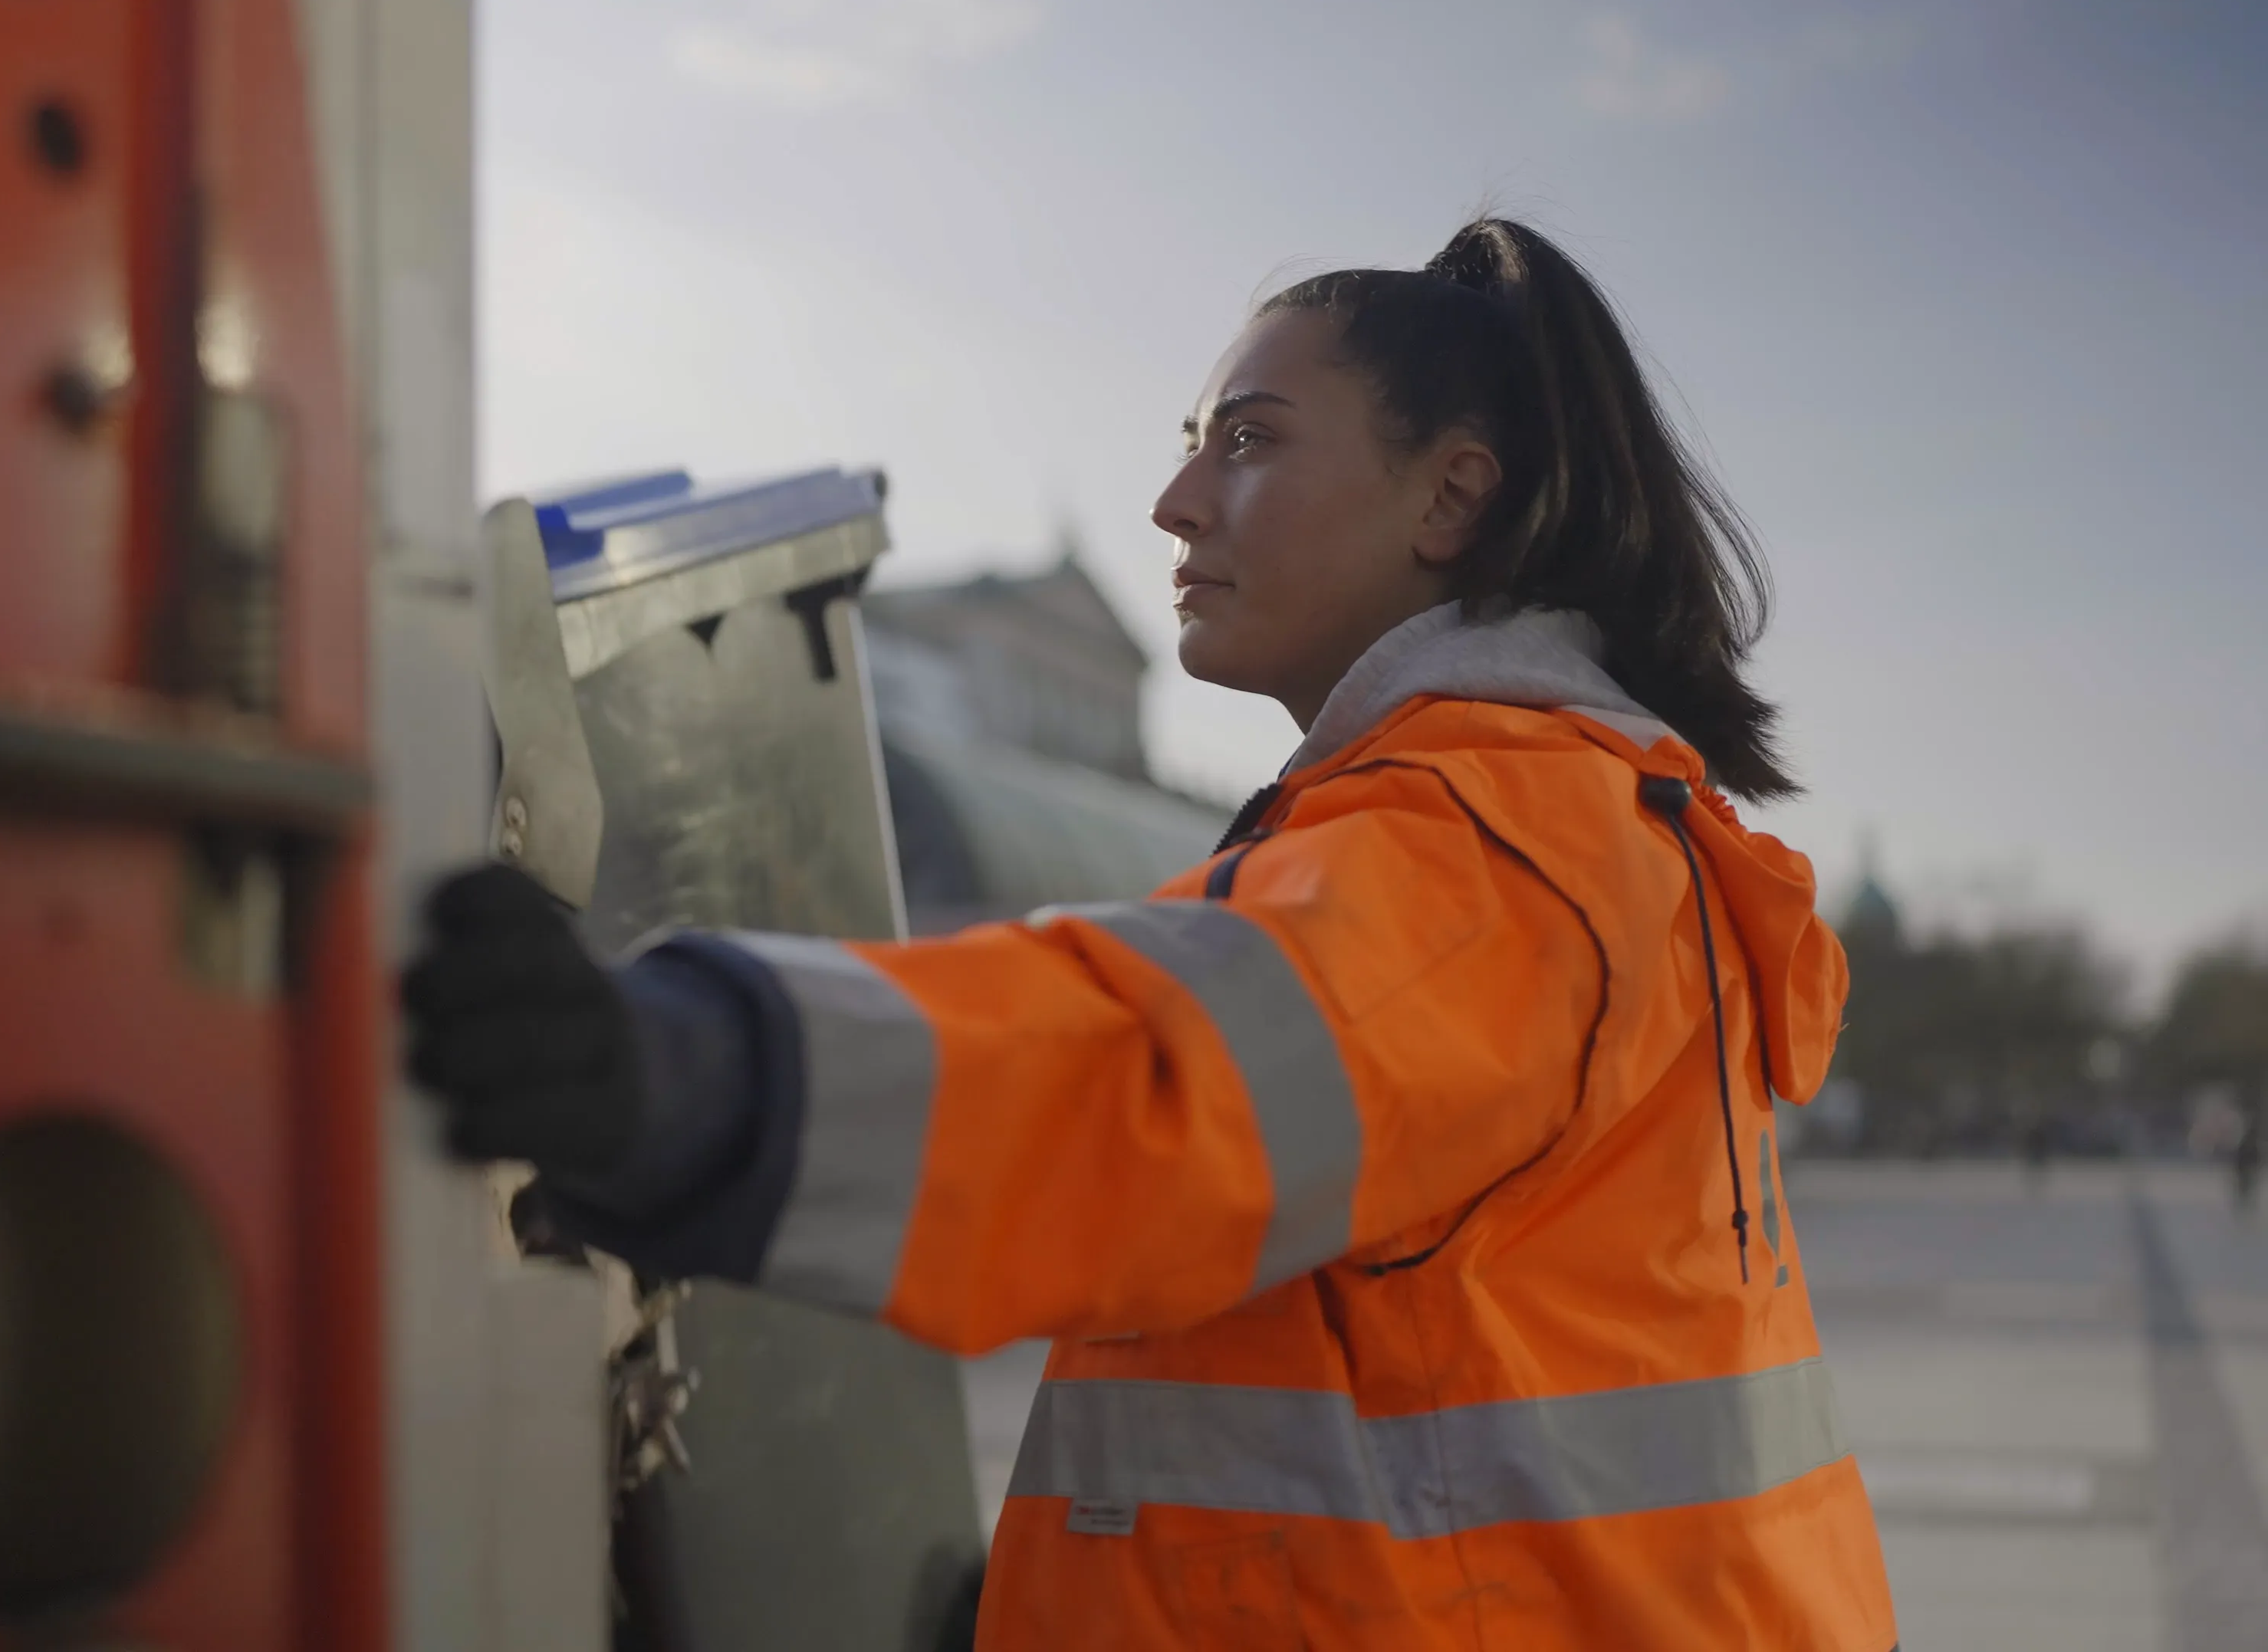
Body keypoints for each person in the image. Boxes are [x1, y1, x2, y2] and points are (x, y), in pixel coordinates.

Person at [406, 217, 1898, 1649]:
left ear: (1450, 499)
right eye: (1191, 448)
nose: (1177, 503)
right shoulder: (1574, 826)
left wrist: (682, 1069)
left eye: (1246, 440)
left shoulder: (1499, 852)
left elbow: (1152, 1074)